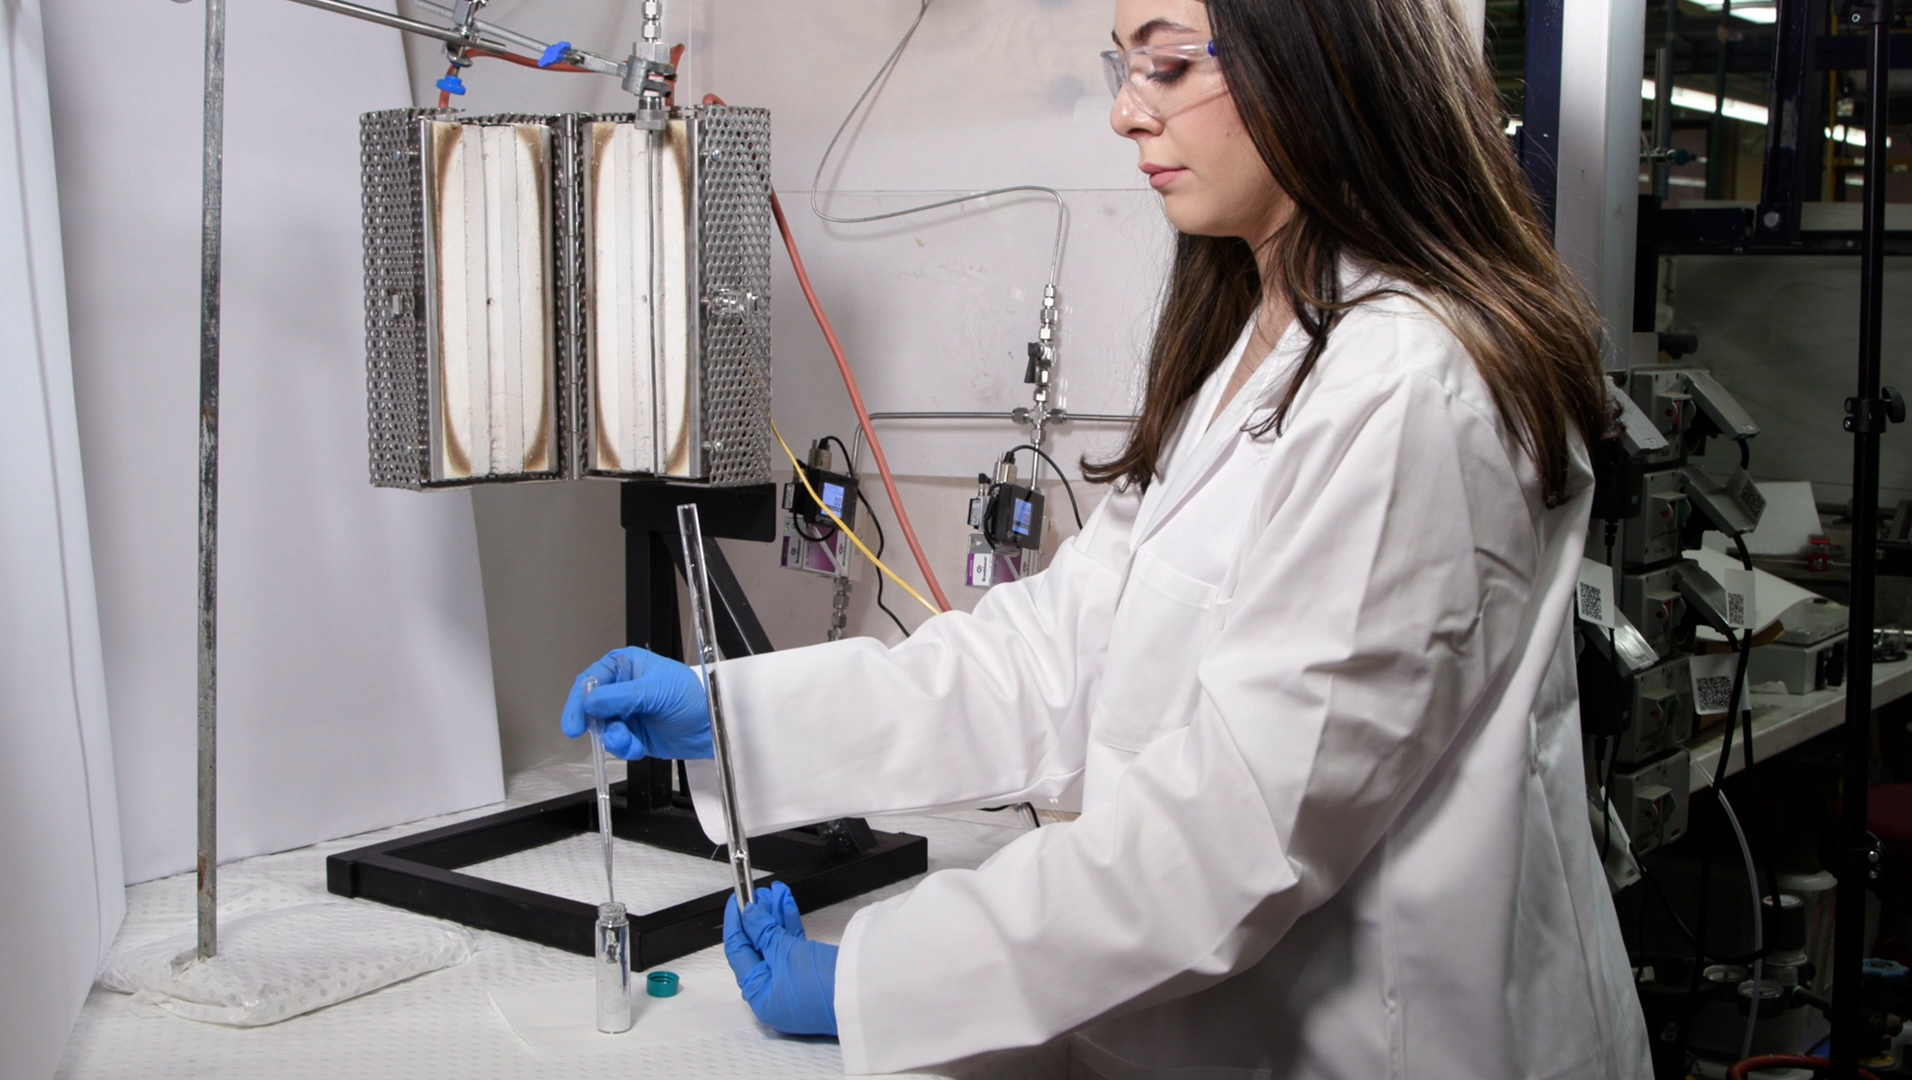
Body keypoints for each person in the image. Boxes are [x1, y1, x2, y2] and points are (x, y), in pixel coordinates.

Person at [560, 0, 1652, 1075]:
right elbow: (1057, 653)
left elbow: (1232, 843)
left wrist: (880, 981)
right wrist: (733, 719)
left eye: (1168, 64)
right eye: (1120, 65)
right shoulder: (1257, 346)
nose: (1127, 111)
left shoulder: (1410, 387)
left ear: (1317, 55)